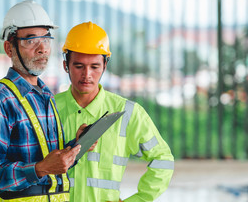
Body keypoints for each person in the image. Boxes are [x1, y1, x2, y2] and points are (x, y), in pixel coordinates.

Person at [0, 0, 82, 202]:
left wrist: (75, 146)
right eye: (31, 40)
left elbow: (48, 162)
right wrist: (40, 169)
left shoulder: (45, 94)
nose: (42, 48)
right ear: (9, 48)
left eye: (46, 39)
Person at [55, 21, 174, 202]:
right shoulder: (48, 109)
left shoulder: (127, 113)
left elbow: (163, 160)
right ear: (66, 65)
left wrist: (138, 200)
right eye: (79, 66)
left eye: (94, 66)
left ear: (105, 66)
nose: (87, 74)